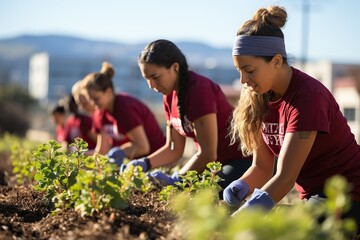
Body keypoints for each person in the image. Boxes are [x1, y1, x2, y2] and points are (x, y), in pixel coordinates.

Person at [222, 5, 360, 234]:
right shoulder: (260, 98)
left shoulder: (308, 97)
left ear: (276, 61)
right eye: (239, 71)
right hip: (315, 197)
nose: (243, 80)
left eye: (249, 70)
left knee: (281, 230)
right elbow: (262, 167)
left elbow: (285, 177)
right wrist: (241, 185)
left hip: (348, 194)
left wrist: (247, 213)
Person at [121, 39, 252, 192]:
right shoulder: (169, 98)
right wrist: (144, 163)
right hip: (214, 164)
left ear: (175, 67)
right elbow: (173, 149)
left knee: (205, 195)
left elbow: (208, 154)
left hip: (241, 159)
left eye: (155, 77)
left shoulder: (199, 91)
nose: (151, 85)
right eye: (147, 79)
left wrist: (177, 179)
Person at [82, 61, 166, 165]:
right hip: (134, 163)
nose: (92, 103)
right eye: (90, 99)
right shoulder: (100, 114)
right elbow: (102, 151)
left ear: (108, 92)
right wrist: (80, 159)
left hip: (156, 160)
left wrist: (120, 152)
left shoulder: (125, 108)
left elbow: (143, 148)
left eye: (96, 98)